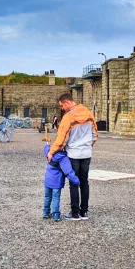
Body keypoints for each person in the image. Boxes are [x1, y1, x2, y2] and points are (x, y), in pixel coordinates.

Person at [47, 93, 97, 221]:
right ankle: (84, 212)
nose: (62, 108)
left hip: (73, 154)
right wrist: (87, 146)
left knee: (74, 182)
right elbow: (94, 134)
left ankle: (74, 213)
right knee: (84, 182)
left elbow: (61, 138)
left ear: (67, 102)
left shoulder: (68, 117)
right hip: (86, 153)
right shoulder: (88, 113)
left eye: (62, 105)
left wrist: (52, 152)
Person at [42, 144, 80, 222]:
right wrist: (77, 181)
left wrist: (48, 144)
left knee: (47, 197)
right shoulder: (63, 158)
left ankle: (45, 213)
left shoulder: (49, 153)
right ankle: (56, 215)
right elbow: (69, 172)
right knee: (56, 198)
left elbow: (46, 147)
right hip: (57, 182)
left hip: (48, 180)